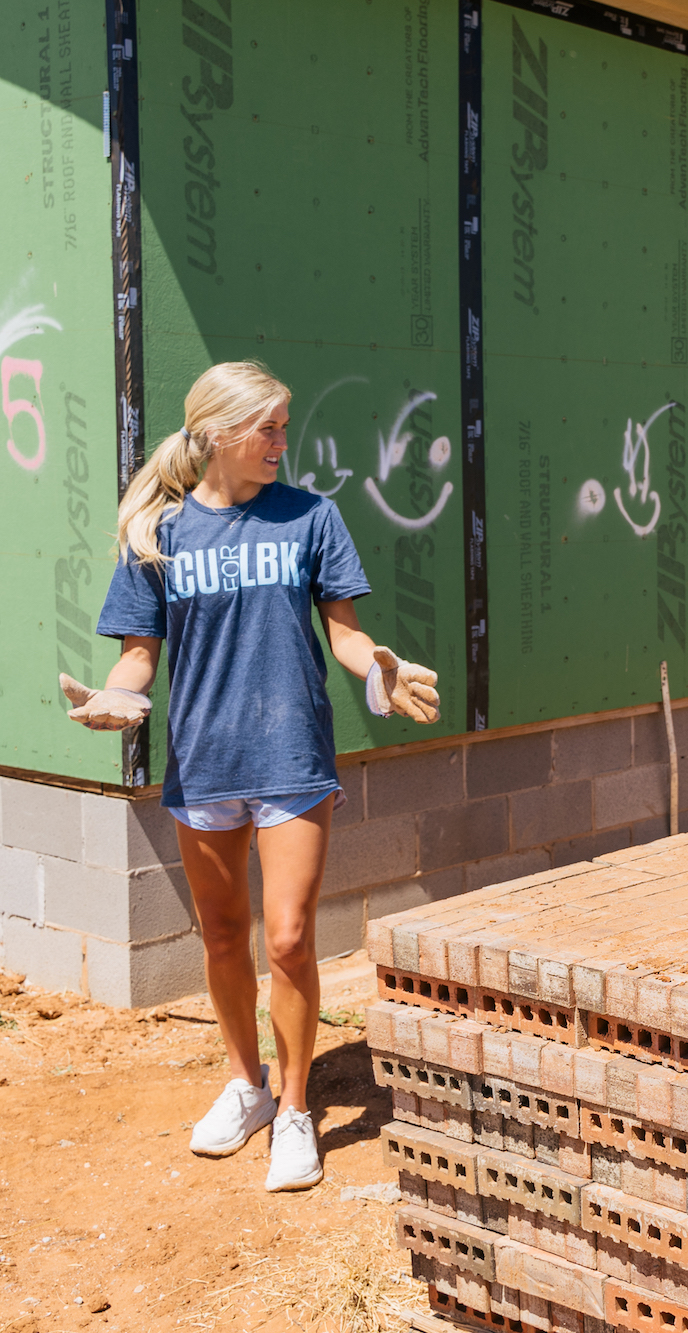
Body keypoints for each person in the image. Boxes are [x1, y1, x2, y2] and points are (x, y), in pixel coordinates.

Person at [64, 361, 441, 1191]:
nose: (281, 442)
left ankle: (297, 1107)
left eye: (283, 425)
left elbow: (344, 636)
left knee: (290, 936)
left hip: (293, 757)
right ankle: (249, 1087)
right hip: (204, 764)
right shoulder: (158, 532)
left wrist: (378, 671)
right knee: (225, 935)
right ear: (217, 435)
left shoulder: (311, 516)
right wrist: (113, 702)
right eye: (267, 428)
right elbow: (137, 658)